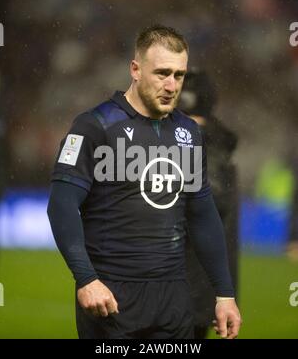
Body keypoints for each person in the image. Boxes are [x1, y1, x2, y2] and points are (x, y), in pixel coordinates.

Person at [47, 25, 241, 339]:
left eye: (178, 75)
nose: (171, 85)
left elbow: (203, 214)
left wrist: (224, 294)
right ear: (135, 69)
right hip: (111, 300)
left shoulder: (188, 134)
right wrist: (86, 279)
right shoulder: (94, 126)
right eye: (162, 73)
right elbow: (62, 205)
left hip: (175, 301)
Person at [179, 71, 239, 338]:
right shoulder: (219, 147)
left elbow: (209, 206)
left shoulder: (197, 146)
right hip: (201, 287)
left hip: (183, 287)